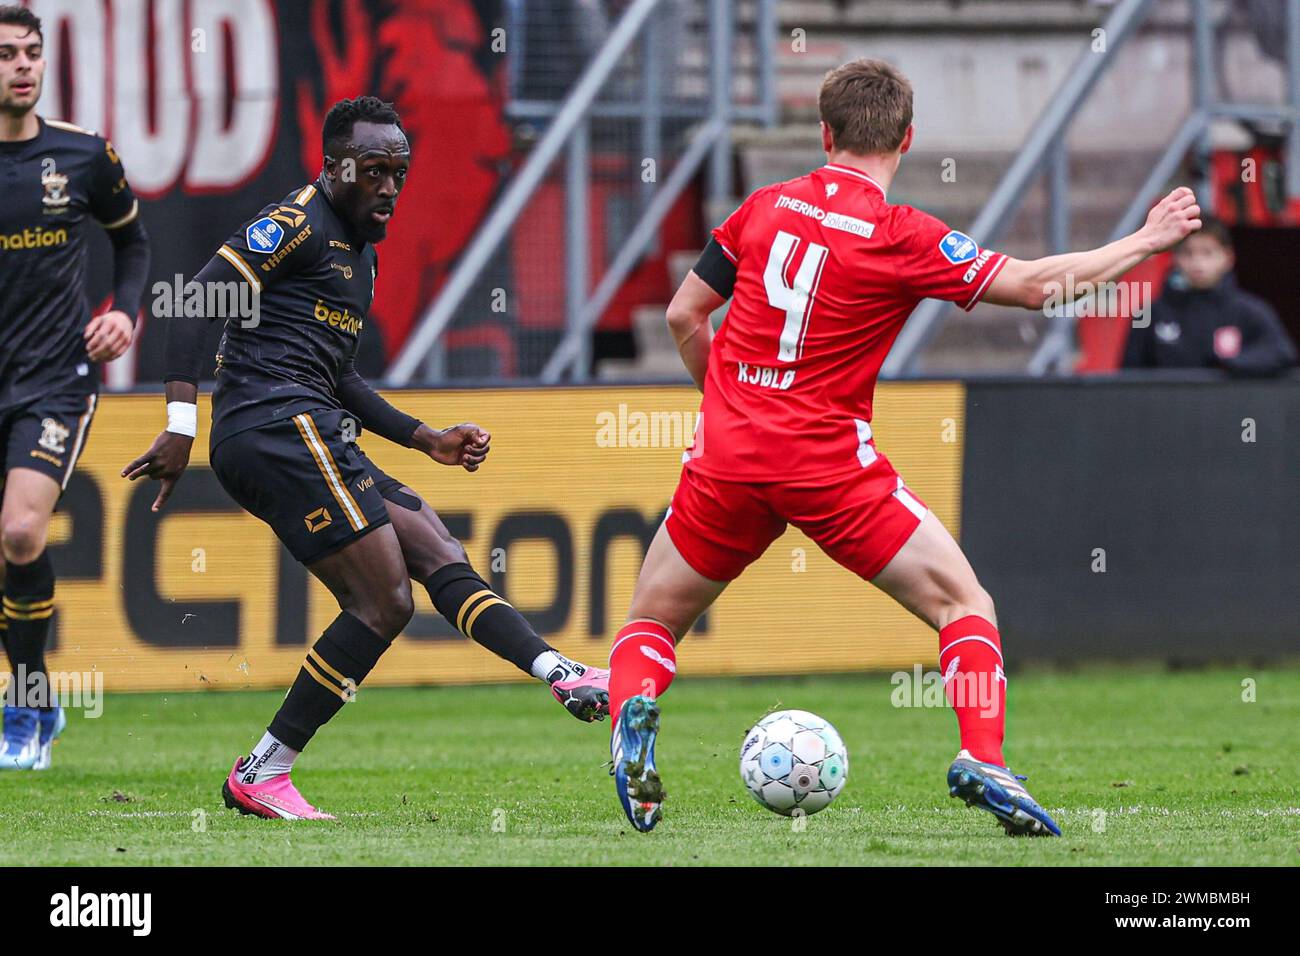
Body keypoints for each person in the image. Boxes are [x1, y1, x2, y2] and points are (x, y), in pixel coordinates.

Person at [604, 58, 1202, 836]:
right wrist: (1148, 241)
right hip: (826, 464)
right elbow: (1035, 287)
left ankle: (634, 718)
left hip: (727, 456)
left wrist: (722, 401)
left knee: (651, 622)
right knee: (964, 605)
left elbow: (686, 316)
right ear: (908, 139)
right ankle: (983, 756)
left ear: (824, 133)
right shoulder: (900, 234)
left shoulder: (761, 208)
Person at [124, 96, 607, 820]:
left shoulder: (362, 259)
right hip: (271, 422)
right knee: (383, 600)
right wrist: (180, 423)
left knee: (434, 544)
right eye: (373, 170)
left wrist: (424, 437)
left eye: (399, 172)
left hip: (308, 419)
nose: (388, 187)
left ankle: (556, 670)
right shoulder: (294, 225)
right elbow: (194, 302)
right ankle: (263, 771)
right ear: (334, 167)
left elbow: (339, 374)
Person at [0, 6, 150, 770]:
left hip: (53, 381)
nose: (22, 67)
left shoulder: (83, 157)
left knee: (22, 533)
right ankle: (42, 700)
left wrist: (124, 313)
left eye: (31, 53)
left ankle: (24, 708)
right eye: (5, 55)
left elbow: (133, 241)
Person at [1122, 218, 1296, 374]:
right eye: (1188, 253)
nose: (1197, 262)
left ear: (1228, 257)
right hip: (1167, 408)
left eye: (1207, 252)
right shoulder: (1149, 313)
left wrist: (1231, 365)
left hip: (1227, 407)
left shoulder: (1250, 310)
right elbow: (1129, 379)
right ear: (1174, 258)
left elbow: (1282, 352)